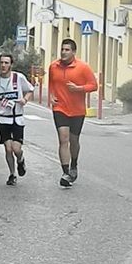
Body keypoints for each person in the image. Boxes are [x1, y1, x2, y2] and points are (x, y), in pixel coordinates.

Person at [48, 38, 98, 187]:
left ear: (73, 52)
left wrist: (79, 88)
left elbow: (93, 85)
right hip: (60, 108)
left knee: (73, 141)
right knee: (63, 139)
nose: (63, 52)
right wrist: (51, 95)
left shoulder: (83, 67)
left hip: (77, 110)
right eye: (62, 49)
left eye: (67, 50)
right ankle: (65, 172)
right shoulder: (53, 66)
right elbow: (52, 82)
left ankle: (74, 165)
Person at [0, 54, 35, 185]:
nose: (3, 65)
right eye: (1, 63)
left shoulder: (18, 78)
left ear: (11, 65)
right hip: (3, 119)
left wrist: (24, 99)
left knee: (16, 148)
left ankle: (20, 160)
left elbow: (30, 90)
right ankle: (12, 174)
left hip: (17, 119)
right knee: (8, 148)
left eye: (6, 63)